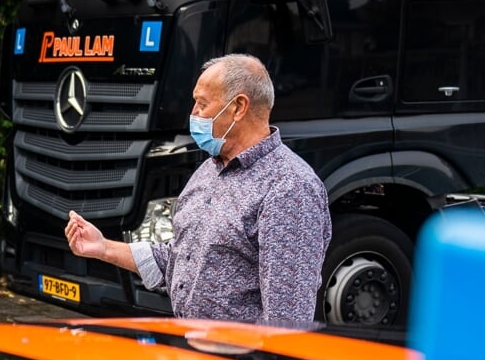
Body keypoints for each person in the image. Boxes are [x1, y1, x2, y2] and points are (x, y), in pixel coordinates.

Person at [62, 54, 330, 328]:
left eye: (202, 104)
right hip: (194, 354)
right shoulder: (209, 170)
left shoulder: (289, 189)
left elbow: (287, 320)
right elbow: (180, 260)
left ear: (238, 107)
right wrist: (104, 248)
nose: (193, 114)